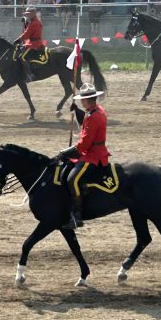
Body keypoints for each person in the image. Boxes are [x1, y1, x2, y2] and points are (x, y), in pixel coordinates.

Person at [53, 84, 109, 229]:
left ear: (87, 100)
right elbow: (87, 120)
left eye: (81, 100)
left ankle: (77, 216)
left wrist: (64, 152)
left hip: (93, 155)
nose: (81, 102)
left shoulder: (93, 116)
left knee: (73, 179)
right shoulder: (97, 110)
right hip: (91, 151)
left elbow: (83, 145)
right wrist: (77, 111)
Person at [14, 6, 44, 82]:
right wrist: (25, 23)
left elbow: (26, 34)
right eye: (27, 14)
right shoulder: (32, 22)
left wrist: (18, 40)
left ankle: (30, 75)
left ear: (34, 13)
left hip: (34, 44)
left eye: (29, 14)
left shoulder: (34, 23)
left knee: (22, 57)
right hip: (30, 42)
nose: (27, 15)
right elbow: (27, 32)